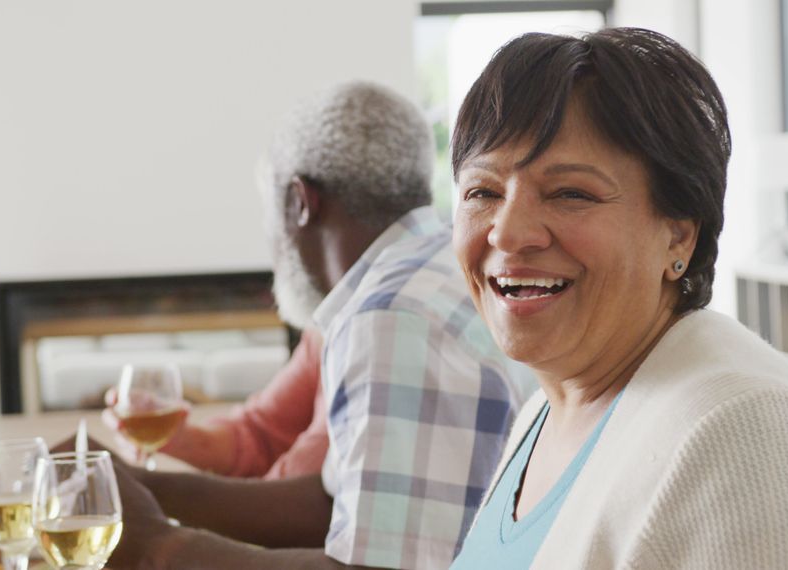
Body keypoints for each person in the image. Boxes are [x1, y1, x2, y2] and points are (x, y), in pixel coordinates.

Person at [448, 28, 788, 569]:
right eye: (482, 192)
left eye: (570, 193)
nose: (508, 233)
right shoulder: (549, 406)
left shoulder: (750, 435)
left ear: (679, 235)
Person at [85, 81, 536, 569]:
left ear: (300, 202)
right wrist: (140, 485)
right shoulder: (431, 272)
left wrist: (156, 548)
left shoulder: (391, 318)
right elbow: (332, 502)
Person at [103, 328, 329, 479]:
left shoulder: (361, 331)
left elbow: (307, 496)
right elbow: (260, 435)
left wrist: (154, 492)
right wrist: (179, 439)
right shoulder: (322, 329)